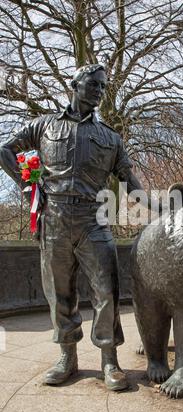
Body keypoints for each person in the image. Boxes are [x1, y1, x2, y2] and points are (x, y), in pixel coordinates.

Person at [0, 64, 145, 391]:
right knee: (59, 292)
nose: (99, 91)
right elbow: (5, 151)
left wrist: (161, 209)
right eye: (93, 85)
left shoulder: (110, 137)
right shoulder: (44, 126)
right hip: (53, 220)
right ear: (75, 85)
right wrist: (28, 189)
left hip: (95, 219)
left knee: (106, 291)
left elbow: (130, 182)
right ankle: (67, 357)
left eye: (104, 87)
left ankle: (110, 360)